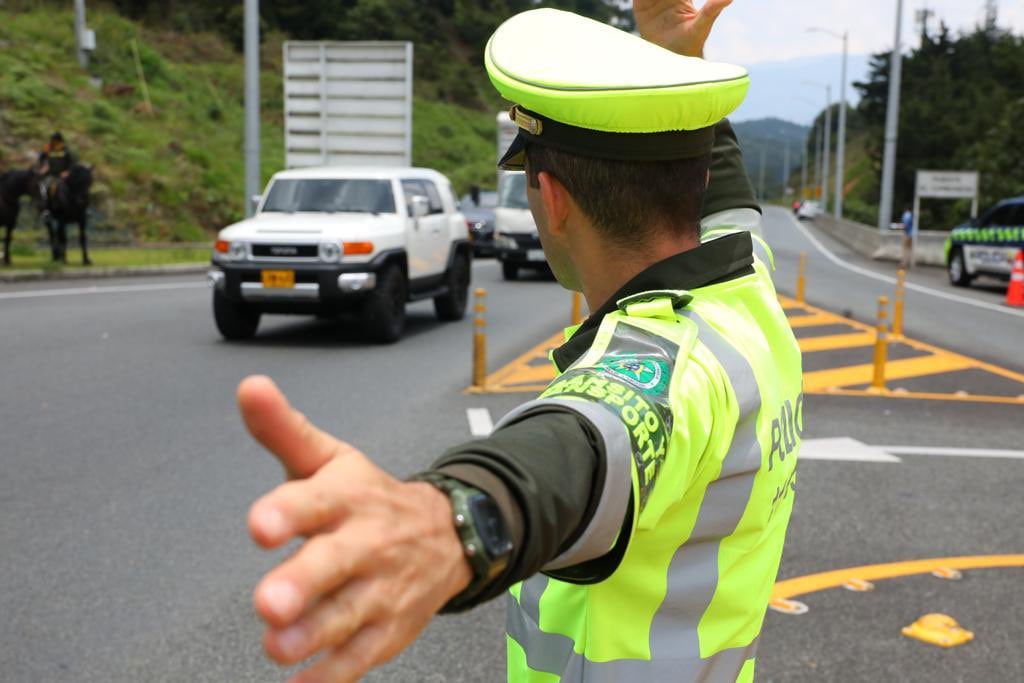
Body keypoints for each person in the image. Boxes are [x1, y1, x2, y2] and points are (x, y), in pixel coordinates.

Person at [237, 2, 803, 682]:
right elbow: (725, 190)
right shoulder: (747, 288)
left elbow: (590, 437)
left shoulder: (670, 363)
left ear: (552, 200)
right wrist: (675, 64)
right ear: (698, 181)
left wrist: (450, 519)